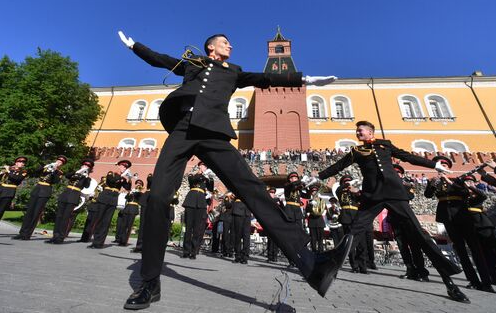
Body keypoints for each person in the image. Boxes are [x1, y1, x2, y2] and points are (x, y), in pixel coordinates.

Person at [118, 31, 351, 310]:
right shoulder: (193, 64)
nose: (230, 45)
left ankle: (312, 263)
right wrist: (135, 46)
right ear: (211, 47)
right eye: (225, 42)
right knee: (156, 199)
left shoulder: (234, 71)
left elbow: (262, 79)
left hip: (214, 133)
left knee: (252, 190)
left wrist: (304, 79)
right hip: (182, 130)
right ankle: (150, 282)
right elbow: (161, 60)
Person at [316, 120, 470, 303]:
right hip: (372, 196)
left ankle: (449, 283)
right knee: (353, 232)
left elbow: (408, 157)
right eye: (356, 131)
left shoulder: (385, 145)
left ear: (371, 132)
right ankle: (328, 270)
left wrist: (433, 166)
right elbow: (338, 166)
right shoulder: (356, 151)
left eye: (361, 131)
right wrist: (317, 176)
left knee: (419, 234)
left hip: (394, 193)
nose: (357, 133)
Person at [425, 156, 493, 292]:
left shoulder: (459, 180)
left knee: (475, 248)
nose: (442, 167)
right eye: (440, 165)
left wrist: (449, 181)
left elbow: (464, 193)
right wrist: (432, 185)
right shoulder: (434, 181)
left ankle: (486, 282)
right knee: (460, 249)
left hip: (462, 215)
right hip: (447, 216)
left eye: (445, 165)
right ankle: (473, 281)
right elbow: (428, 195)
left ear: (449, 167)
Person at [463, 175, 496, 288]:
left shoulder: (478, 194)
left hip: (483, 226)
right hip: (472, 227)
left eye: (471, 182)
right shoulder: (464, 197)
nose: (468, 184)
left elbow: (482, 196)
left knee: (495, 253)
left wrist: (471, 187)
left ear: (474, 184)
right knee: (483, 255)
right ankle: (494, 277)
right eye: (466, 182)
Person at [389, 163, 429, 282]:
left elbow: (409, 196)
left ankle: (422, 272)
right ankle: (410, 270)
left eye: (398, 173)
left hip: (407, 218)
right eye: (394, 173)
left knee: (414, 245)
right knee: (402, 246)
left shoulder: (406, 185)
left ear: (401, 175)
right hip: (394, 218)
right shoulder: (387, 187)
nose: (396, 174)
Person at [14, 155, 67, 240]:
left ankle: (27, 234)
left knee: (36, 213)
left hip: (45, 191)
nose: (59, 162)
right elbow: (36, 171)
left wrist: (54, 171)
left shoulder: (59, 172)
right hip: (37, 189)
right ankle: (22, 233)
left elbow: (55, 181)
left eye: (61, 162)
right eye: (58, 160)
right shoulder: (47, 167)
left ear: (62, 164)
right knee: (29, 212)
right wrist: (45, 166)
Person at [88, 160, 132, 249]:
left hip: (113, 199)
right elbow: (111, 181)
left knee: (106, 222)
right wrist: (122, 176)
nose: (123, 168)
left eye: (125, 167)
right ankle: (95, 241)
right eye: (122, 166)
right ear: (119, 166)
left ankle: (100, 243)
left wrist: (129, 179)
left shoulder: (123, 177)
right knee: (99, 220)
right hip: (105, 197)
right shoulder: (111, 173)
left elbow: (127, 188)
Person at [47, 159, 93, 244]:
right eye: (84, 165)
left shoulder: (87, 178)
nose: (85, 167)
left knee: (65, 218)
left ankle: (60, 238)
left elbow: (86, 186)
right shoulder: (75, 173)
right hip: (65, 195)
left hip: (73, 197)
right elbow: (67, 175)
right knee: (59, 216)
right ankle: (55, 236)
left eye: (88, 166)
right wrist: (78, 171)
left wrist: (86, 176)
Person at [0, 156, 28, 238]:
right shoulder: (10, 169)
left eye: (23, 162)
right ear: (16, 162)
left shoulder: (23, 172)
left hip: (9, 192)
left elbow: (16, 179)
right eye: (20, 162)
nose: (22, 163)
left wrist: (8, 170)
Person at [182, 161, 213, 259]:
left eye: (205, 166)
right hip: (191, 201)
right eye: (202, 165)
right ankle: (186, 251)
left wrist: (209, 178)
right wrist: (201, 174)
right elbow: (191, 181)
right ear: (199, 166)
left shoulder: (207, 178)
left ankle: (193, 252)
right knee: (188, 228)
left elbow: (210, 187)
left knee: (197, 229)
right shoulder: (193, 175)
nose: (204, 167)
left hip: (200, 203)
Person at [116, 179, 144, 246]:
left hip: (134, 208)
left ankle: (124, 241)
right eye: (137, 183)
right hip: (127, 207)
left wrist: (139, 192)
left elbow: (140, 200)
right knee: (123, 225)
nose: (138, 184)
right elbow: (126, 197)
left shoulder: (141, 193)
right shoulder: (132, 191)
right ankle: (121, 240)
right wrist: (131, 192)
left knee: (129, 226)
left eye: (140, 183)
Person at [131, 174, 152, 253]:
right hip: (146, 200)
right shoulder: (153, 177)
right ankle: (139, 246)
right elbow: (150, 178)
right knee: (143, 224)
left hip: (155, 201)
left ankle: (148, 247)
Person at [305, 184, 327, 253]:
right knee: (313, 239)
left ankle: (321, 251)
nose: (314, 193)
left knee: (320, 238)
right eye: (313, 192)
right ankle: (314, 252)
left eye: (315, 191)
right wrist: (310, 204)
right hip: (312, 221)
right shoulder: (309, 201)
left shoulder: (321, 200)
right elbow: (306, 210)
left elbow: (323, 209)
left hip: (320, 221)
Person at [231, 197, 251, 264]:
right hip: (238, 210)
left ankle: (245, 257)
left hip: (247, 212)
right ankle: (238, 256)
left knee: (246, 236)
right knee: (237, 236)